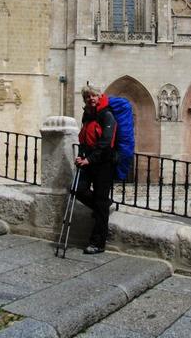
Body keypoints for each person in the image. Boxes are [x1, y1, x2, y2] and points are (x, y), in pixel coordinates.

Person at [75, 84, 117, 254]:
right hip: (88, 161)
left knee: (99, 202)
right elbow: (84, 138)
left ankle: (98, 243)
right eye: (87, 97)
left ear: (100, 96)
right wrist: (81, 155)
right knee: (77, 189)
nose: (91, 99)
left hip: (104, 163)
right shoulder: (87, 116)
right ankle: (105, 205)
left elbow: (106, 142)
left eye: (94, 96)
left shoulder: (107, 116)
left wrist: (89, 160)